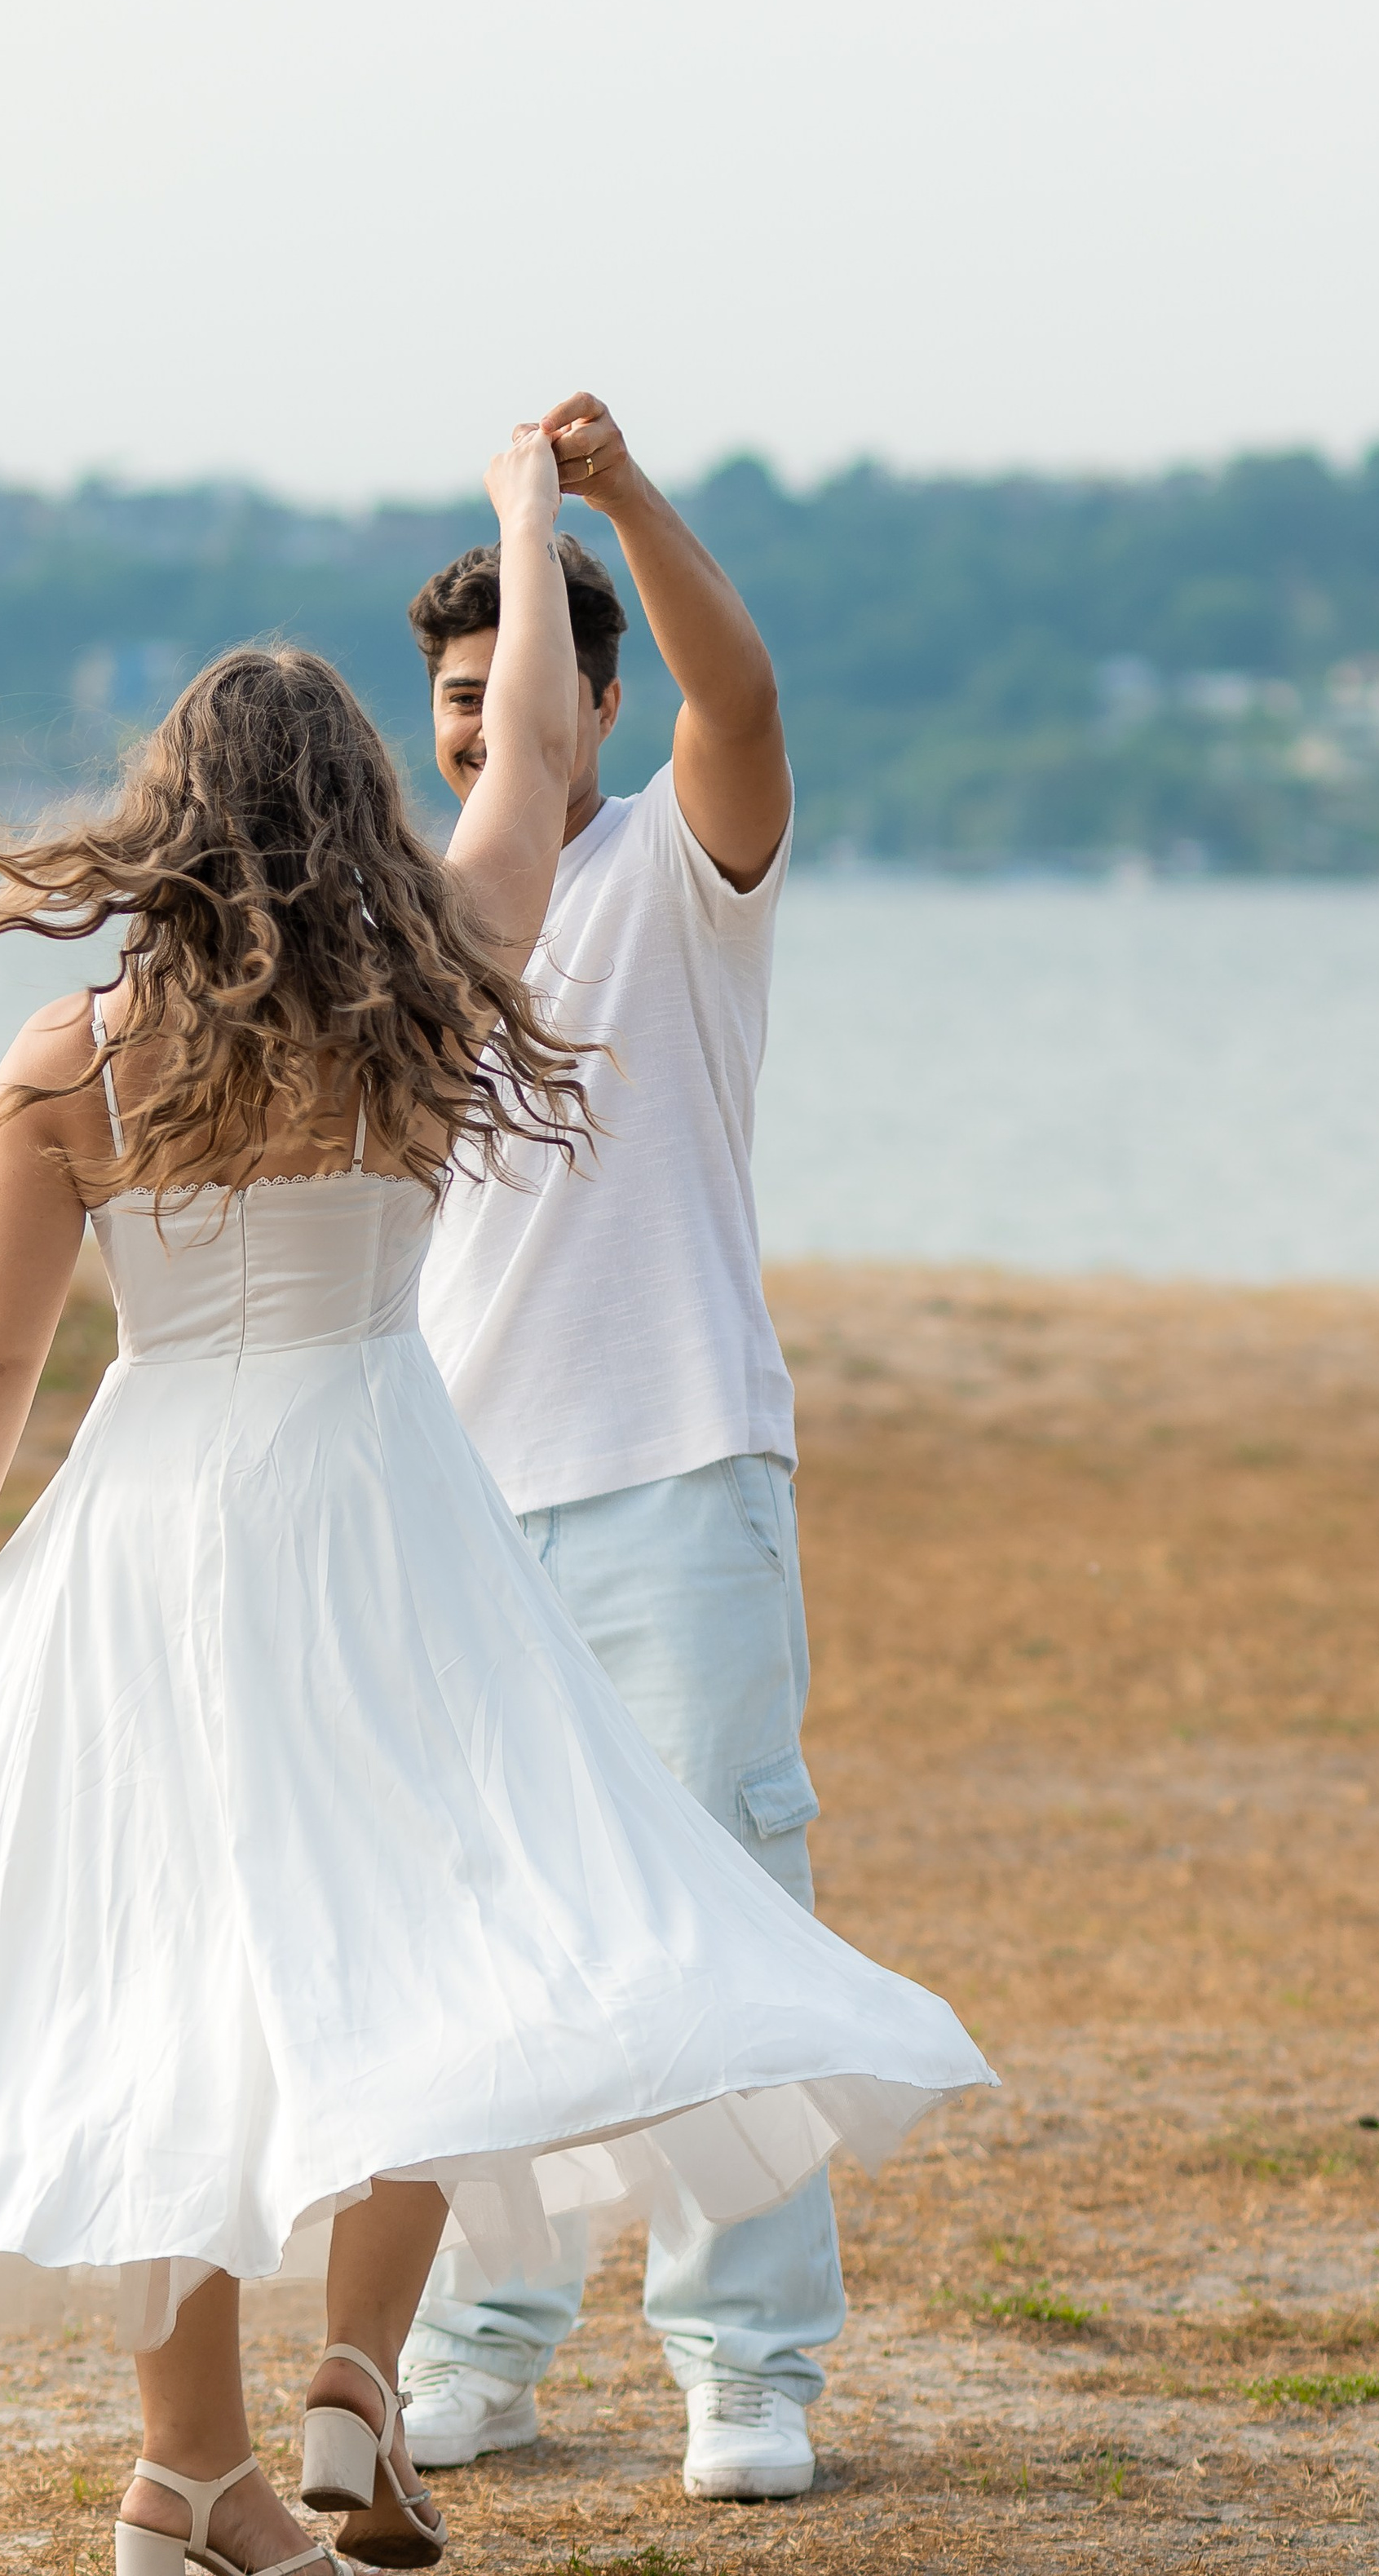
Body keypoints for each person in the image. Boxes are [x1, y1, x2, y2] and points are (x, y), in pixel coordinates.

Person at [0, 426, 991, 2576]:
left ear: (164, 814)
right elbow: (526, 758)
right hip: (391, 1489)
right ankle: (341, 2394)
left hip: (151, 1521)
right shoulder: (431, 982)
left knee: (166, 1979)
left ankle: (188, 2468)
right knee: (440, 1926)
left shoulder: (71, 1050)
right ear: (359, 801)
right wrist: (532, 526)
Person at [401, 394, 838, 2502]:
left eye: (529, 693)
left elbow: (735, 689)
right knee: (475, 1941)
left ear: (592, 700)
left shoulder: (682, 869)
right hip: (456, 1506)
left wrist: (606, 500)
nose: (490, 737)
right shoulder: (409, 928)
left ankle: (748, 2370)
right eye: (458, 707)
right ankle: (480, 2341)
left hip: (678, 1479)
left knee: (721, 1918)